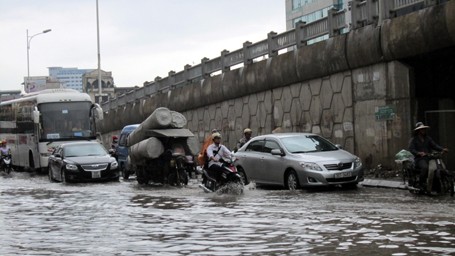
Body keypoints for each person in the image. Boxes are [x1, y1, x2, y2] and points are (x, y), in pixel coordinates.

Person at [408, 122, 448, 189]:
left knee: (436, 167)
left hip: (429, 158)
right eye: (421, 129)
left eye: (424, 129)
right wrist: (419, 153)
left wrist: (442, 149)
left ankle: (434, 184)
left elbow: (434, 145)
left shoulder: (428, 138)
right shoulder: (414, 140)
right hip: (419, 159)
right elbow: (412, 149)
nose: (423, 131)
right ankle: (421, 184)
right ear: (418, 131)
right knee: (425, 168)